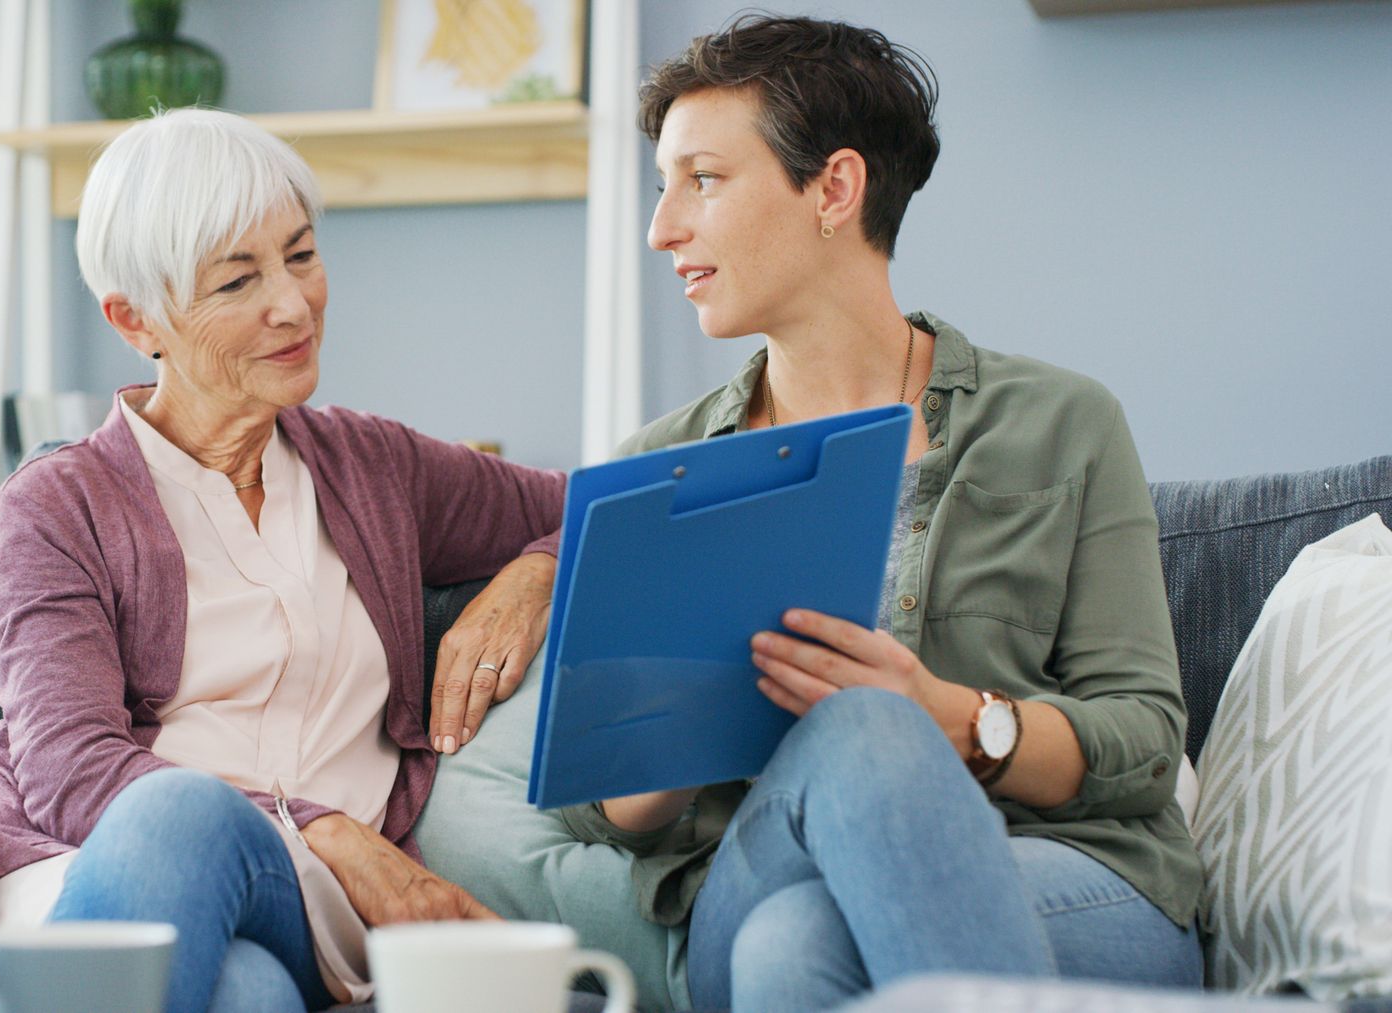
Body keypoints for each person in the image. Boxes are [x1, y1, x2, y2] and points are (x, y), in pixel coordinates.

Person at [436, 13, 1205, 1012]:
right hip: (755, 879)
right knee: (840, 780)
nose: (662, 225)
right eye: (662, 184)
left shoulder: (1060, 422)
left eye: (702, 179)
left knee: (801, 935)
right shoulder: (658, 468)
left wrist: (960, 721)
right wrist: (669, 736)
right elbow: (602, 814)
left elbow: (1143, 741)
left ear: (834, 189)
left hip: (1073, 887)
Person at [0, 108, 564, 1013]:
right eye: (238, 280)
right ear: (135, 320)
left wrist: (536, 572)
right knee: (243, 986)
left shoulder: (374, 467)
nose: (293, 303)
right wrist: (332, 835)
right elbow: (74, 770)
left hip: (304, 901)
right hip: (87, 872)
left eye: (303, 255)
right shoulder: (55, 506)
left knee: (209, 869)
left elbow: (616, 510)